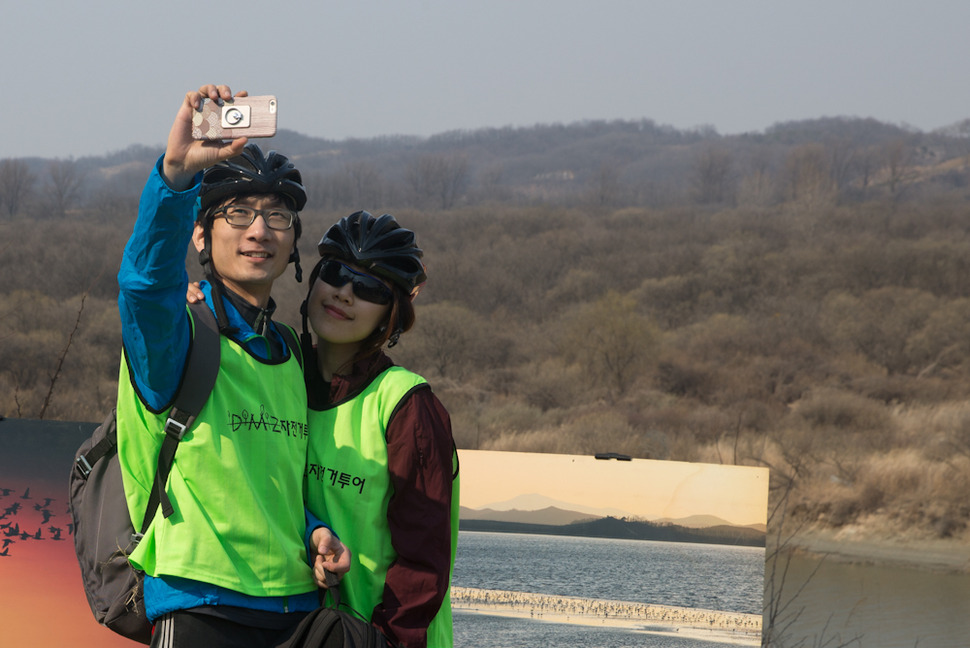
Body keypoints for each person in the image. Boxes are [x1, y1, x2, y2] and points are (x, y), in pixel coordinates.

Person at [116, 84, 349, 648]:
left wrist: (314, 531)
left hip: (294, 609)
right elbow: (145, 287)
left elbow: (269, 483)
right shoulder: (181, 331)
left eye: (277, 217)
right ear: (200, 233)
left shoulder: (292, 353)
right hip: (201, 605)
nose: (259, 230)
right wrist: (176, 176)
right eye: (237, 212)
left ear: (293, 244)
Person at [301, 211, 461, 648]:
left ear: (391, 315)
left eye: (369, 288)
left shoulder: (408, 406)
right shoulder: (279, 374)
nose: (344, 293)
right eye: (335, 273)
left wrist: (380, 641)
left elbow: (423, 560)